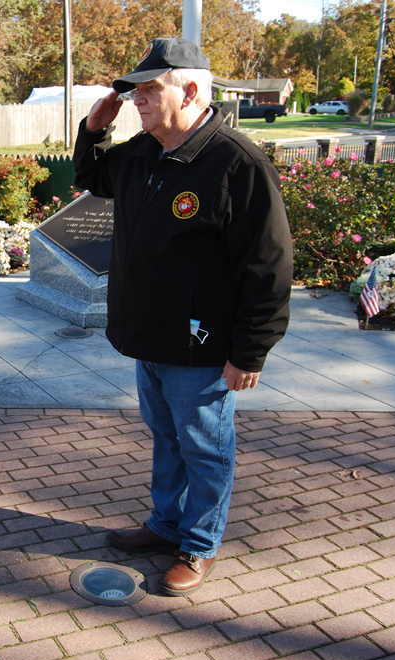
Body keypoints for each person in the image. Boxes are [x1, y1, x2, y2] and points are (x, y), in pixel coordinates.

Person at [73, 37, 293, 596]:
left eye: (149, 90)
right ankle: (166, 524)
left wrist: (250, 350)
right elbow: (93, 177)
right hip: (150, 337)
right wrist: (95, 127)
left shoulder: (235, 163)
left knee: (204, 445)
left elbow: (267, 266)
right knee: (166, 436)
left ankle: (198, 545)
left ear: (190, 91)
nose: (138, 101)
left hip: (202, 346)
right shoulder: (143, 152)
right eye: (136, 91)